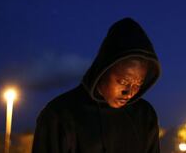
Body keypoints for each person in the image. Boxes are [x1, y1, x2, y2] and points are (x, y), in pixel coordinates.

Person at [32, 18, 161, 153]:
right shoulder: (59, 115)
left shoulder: (145, 115)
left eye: (138, 84)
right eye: (123, 82)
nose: (129, 93)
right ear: (103, 70)